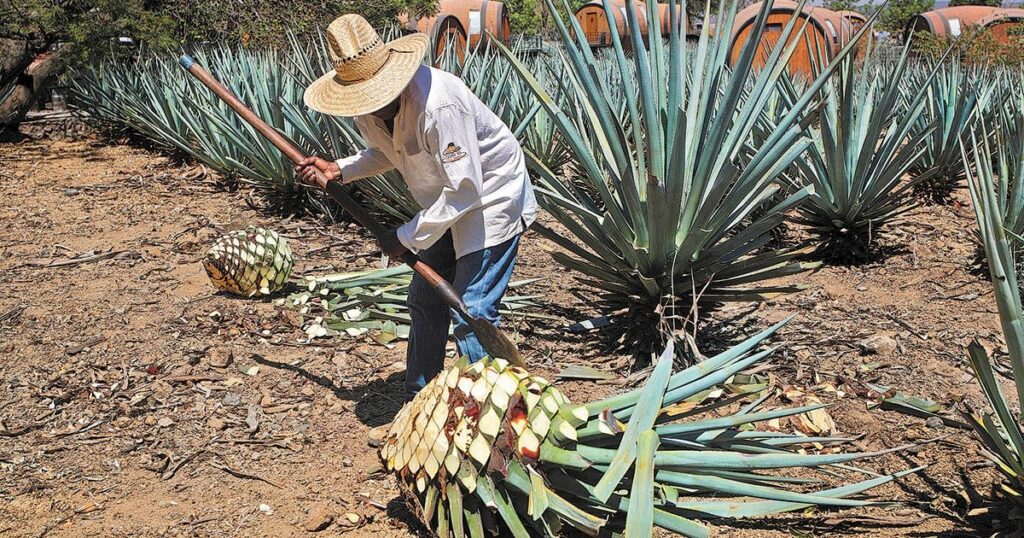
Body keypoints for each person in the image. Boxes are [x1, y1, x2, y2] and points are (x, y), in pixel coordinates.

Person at [295, 14, 536, 394]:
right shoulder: (369, 107)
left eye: (375, 95)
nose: (371, 107)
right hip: (443, 202)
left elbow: (466, 189)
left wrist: (405, 236)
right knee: (424, 298)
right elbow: (386, 151)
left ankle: (490, 410)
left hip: (490, 196)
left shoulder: (439, 105)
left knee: (472, 308)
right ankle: (420, 393)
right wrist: (339, 169)